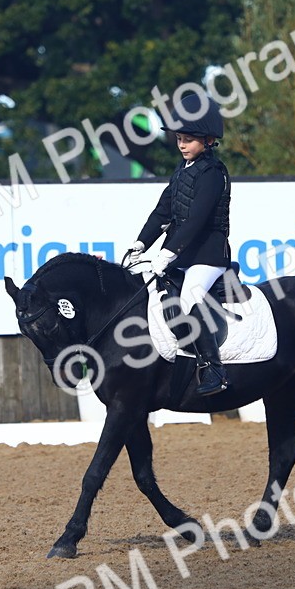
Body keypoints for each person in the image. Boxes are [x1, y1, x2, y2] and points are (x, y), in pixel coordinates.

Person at [122, 92, 231, 396]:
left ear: (208, 140)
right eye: (179, 138)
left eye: (189, 139)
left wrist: (168, 253)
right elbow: (162, 212)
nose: (182, 144)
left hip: (208, 255)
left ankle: (215, 370)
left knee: (190, 299)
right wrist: (141, 244)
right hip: (183, 253)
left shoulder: (212, 173)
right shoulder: (181, 171)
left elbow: (196, 221)